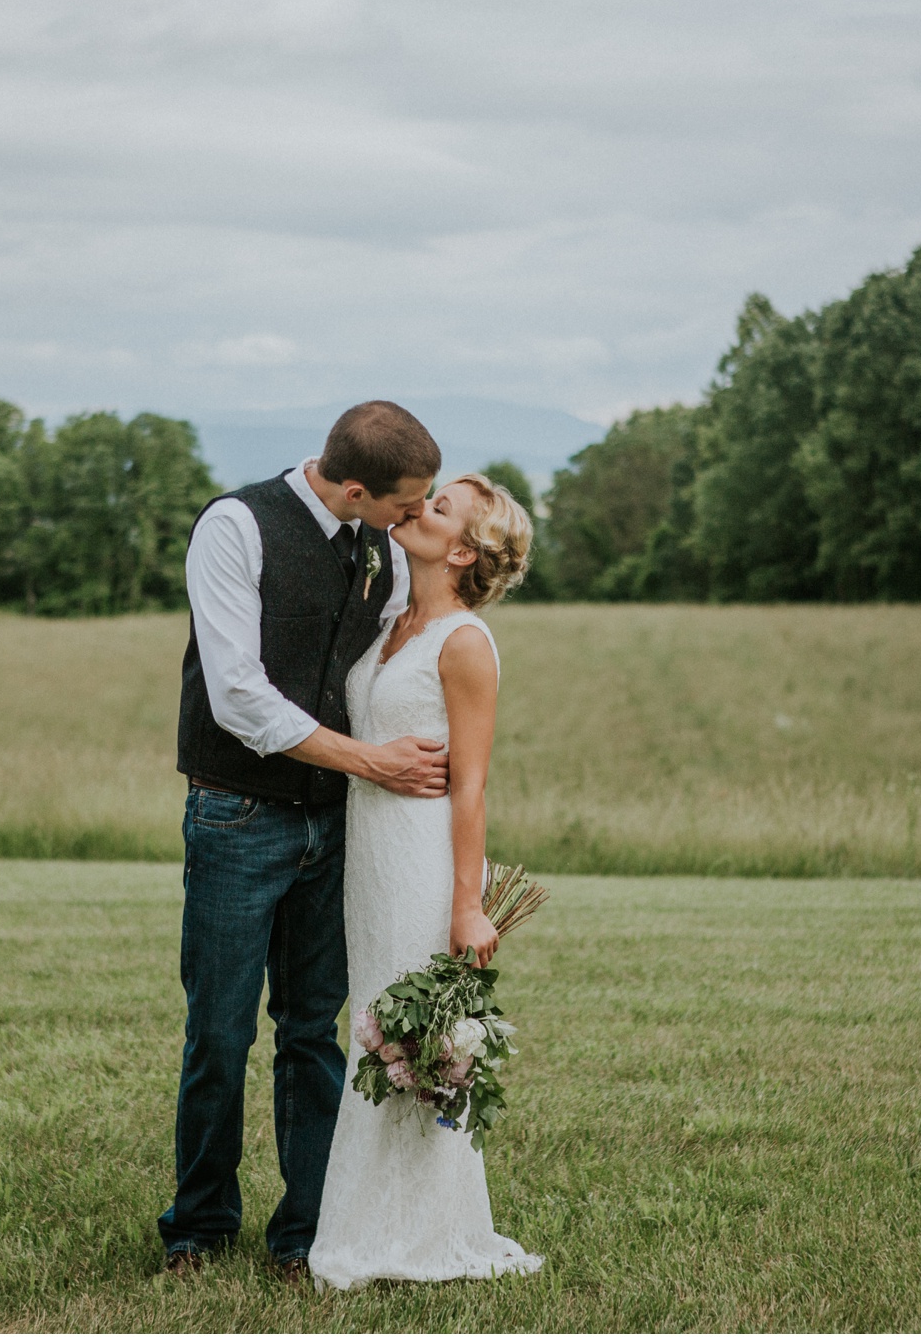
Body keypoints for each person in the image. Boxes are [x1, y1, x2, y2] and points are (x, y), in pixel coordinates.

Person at [160, 401, 447, 1282]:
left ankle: (306, 1233)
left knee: (312, 1032)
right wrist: (371, 760)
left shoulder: (382, 553)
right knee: (217, 1030)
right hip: (239, 814)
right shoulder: (236, 526)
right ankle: (199, 1226)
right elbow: (237, 694)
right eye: (405, 504)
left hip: (338, 826)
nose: (413, 520)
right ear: (356, 487)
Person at [307, 472, 542, 1291]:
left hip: (421, 860)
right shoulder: (393, 621)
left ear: (468, 550)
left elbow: (471, 784)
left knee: (407, 1038)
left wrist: (469, 903)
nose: (417, 508)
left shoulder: (465, 642)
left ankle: (418, 1234)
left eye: (438, 508)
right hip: (367, 856)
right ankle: (371, 1220)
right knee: (371, 1028)